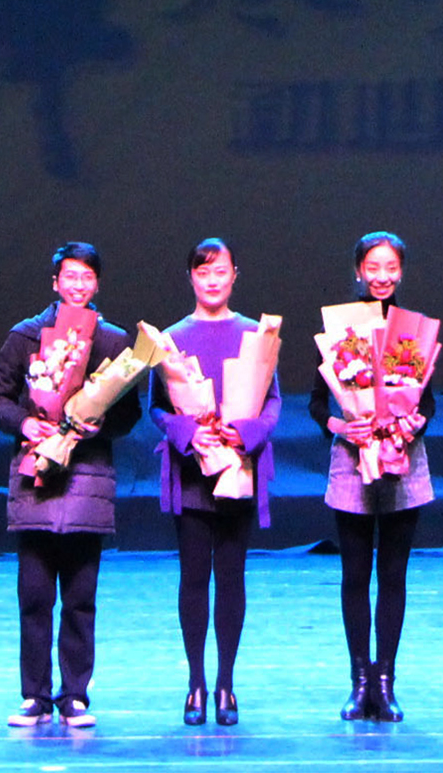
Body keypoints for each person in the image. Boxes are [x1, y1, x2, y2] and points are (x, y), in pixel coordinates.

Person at [0, 240, 144, 728]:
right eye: (69, 276)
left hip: (87, 479)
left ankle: (74, 694)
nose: (78, 285)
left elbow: (130, 413)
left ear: (97, 283)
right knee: (34, 596)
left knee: (80, 596)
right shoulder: (26, 336)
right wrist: (25, 423)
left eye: (87, 277)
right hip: (35, 477)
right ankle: (34, 695)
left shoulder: (113, 342)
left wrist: (100, 425)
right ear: (55, 282)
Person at [158, 237, 278, 727]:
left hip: (239, 472)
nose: (212, 280)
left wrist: (244, 433)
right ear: (191, 277)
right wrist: (191, 433)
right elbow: (158, 407)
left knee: (231, 577)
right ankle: (195, 683)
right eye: (203, 271)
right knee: (193, 578)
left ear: (234, 275)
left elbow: (272, 402)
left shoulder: (255, 334)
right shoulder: (170, 337)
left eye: (220, 271)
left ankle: (226, 682)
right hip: (192, 475)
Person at [319, 231, 433, 721]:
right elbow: (318, 402)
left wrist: (412, 423)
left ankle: (385, 682)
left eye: (391, 267)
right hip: (352, 459)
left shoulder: (413, 329)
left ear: (401, 272)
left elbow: (427, 400)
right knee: (354, 575)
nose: (382, 276)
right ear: (359, 271)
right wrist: (342, 425)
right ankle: (359, 681)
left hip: (403, 458)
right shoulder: (341, 328)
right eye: (373, 267)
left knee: (393, 574)